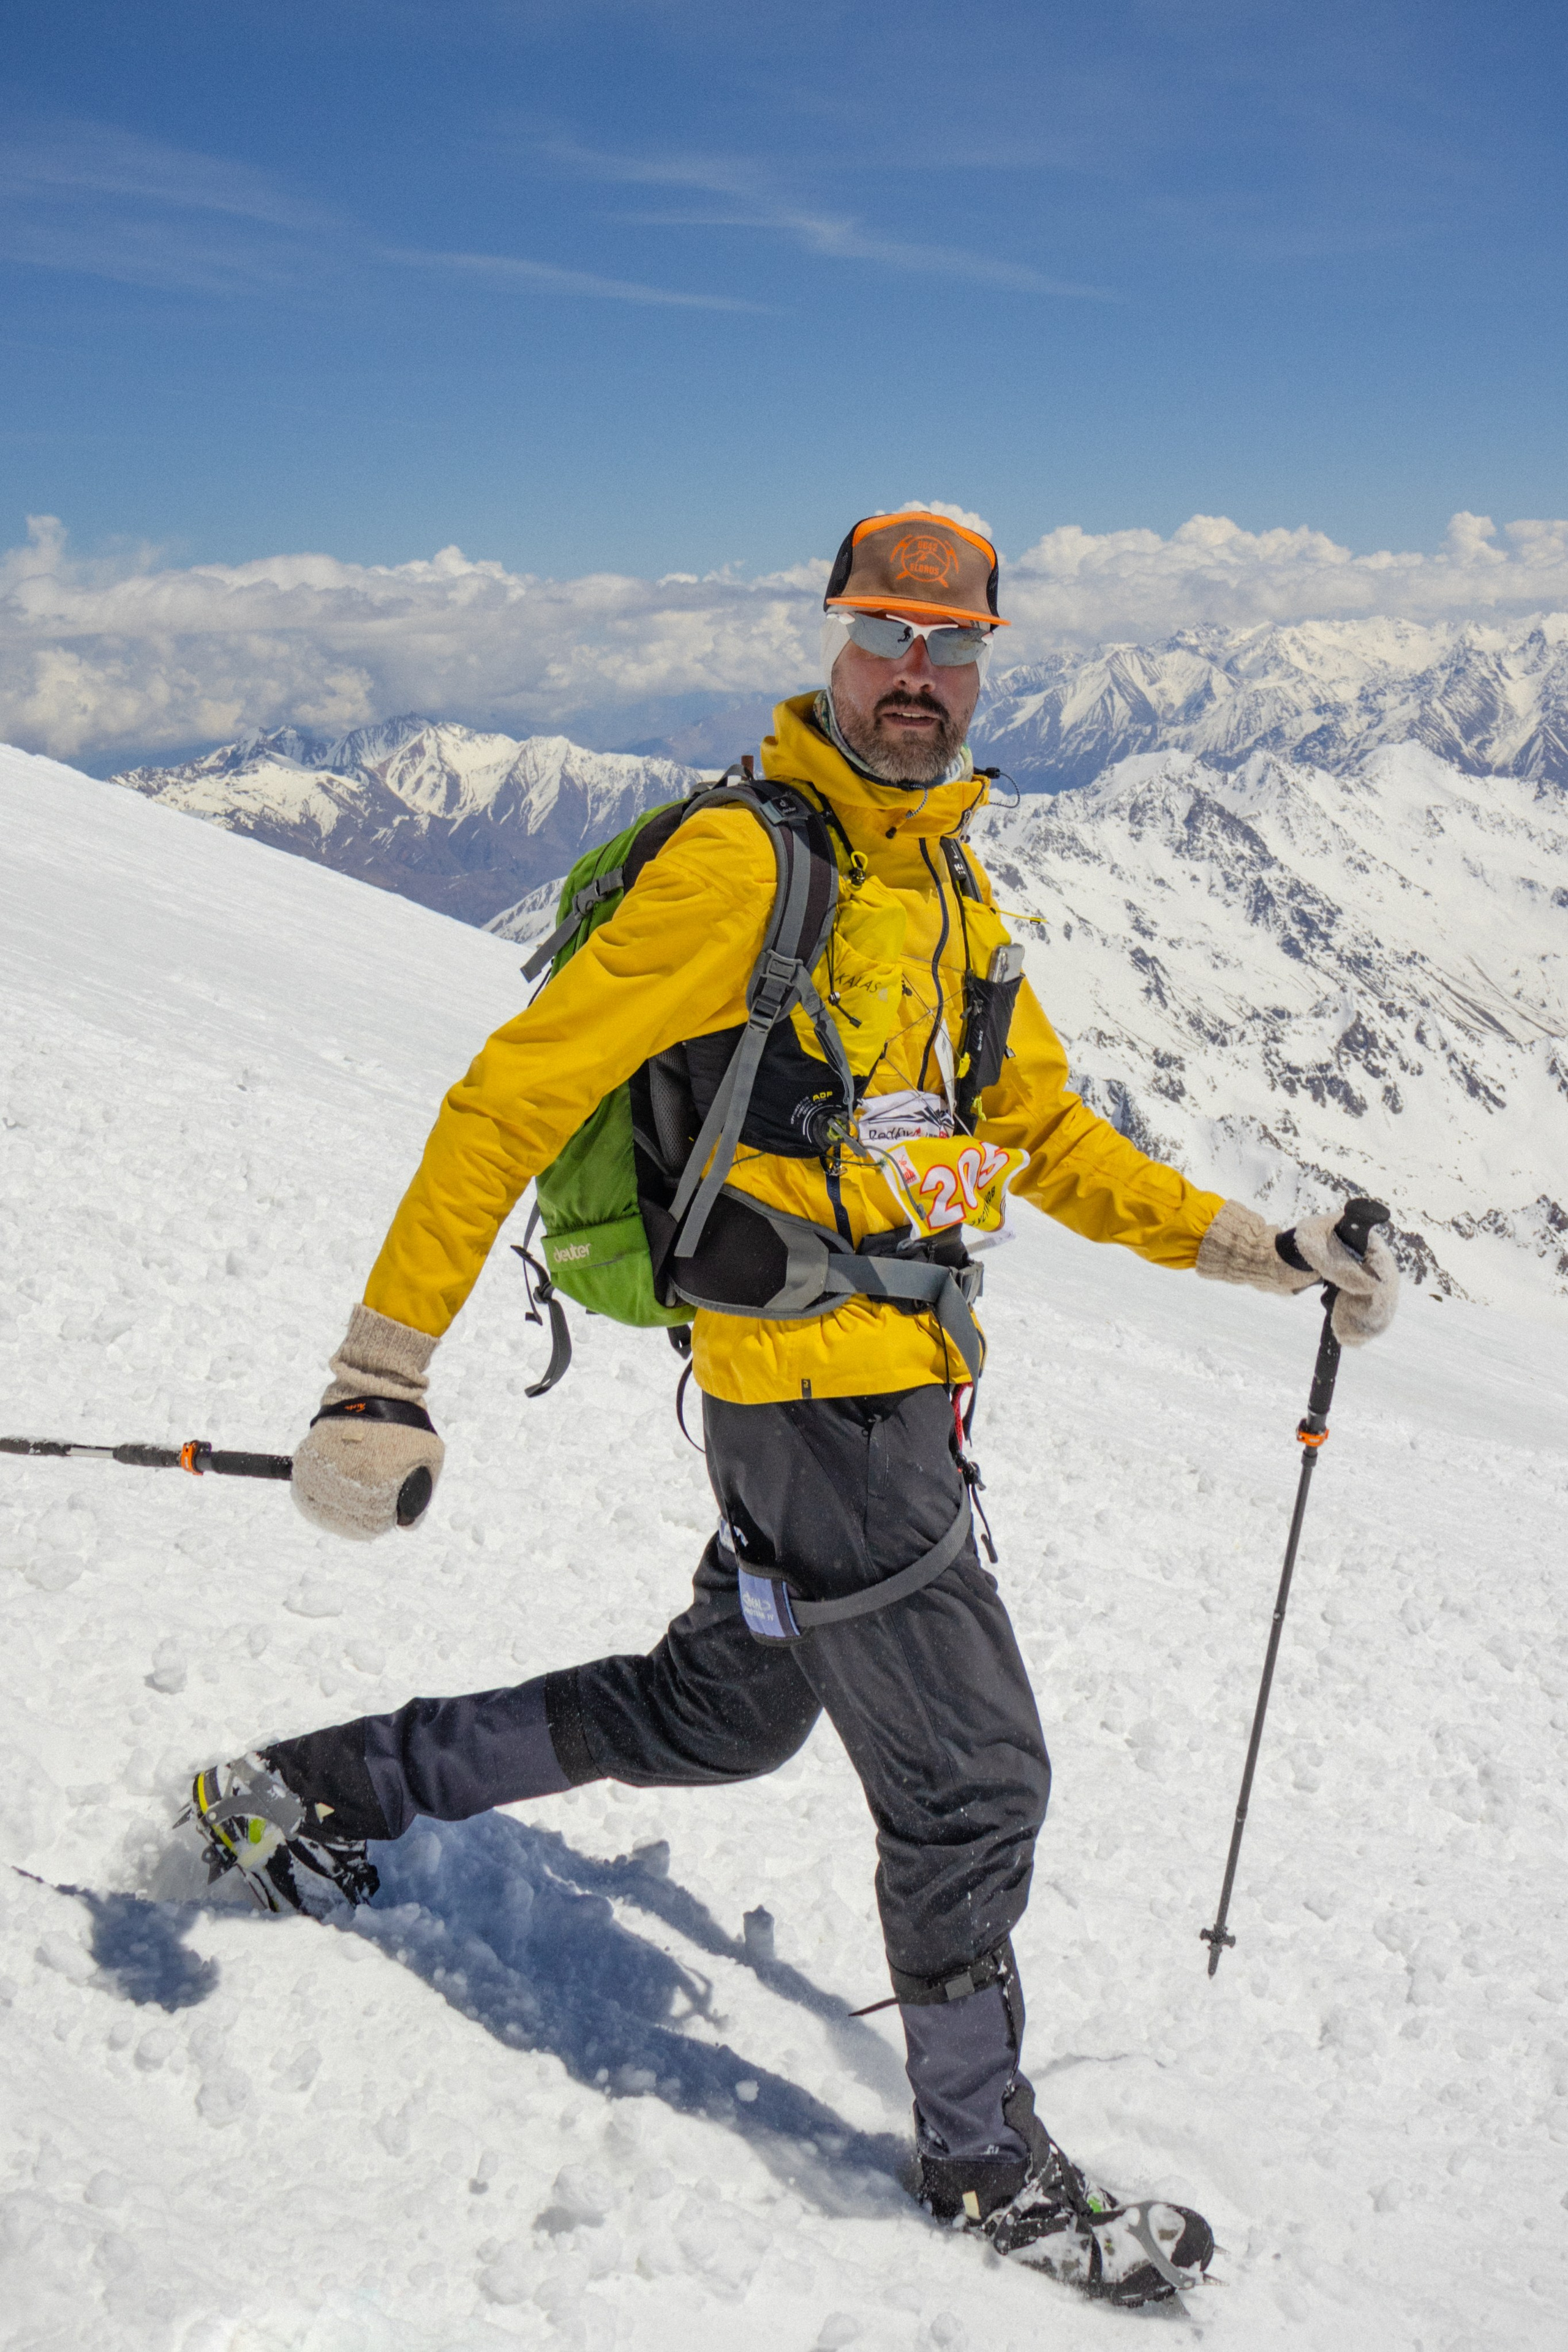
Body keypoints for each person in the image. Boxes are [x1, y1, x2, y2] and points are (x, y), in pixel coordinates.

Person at [182, 510, 1398, 2307]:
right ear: (831, 643)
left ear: (988, 667)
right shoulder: (751, 870)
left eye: (953, 649)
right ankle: (988, 2167)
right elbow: (510, 1100)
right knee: (977, 1778)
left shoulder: (939, 880)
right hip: (819, 1416)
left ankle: (311, 1788)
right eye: (887, 638)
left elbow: (1047, 1139)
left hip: (871, 1401)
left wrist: (1270, 1247)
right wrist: (381, 1370)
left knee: (714, 1718)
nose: (919, 678)